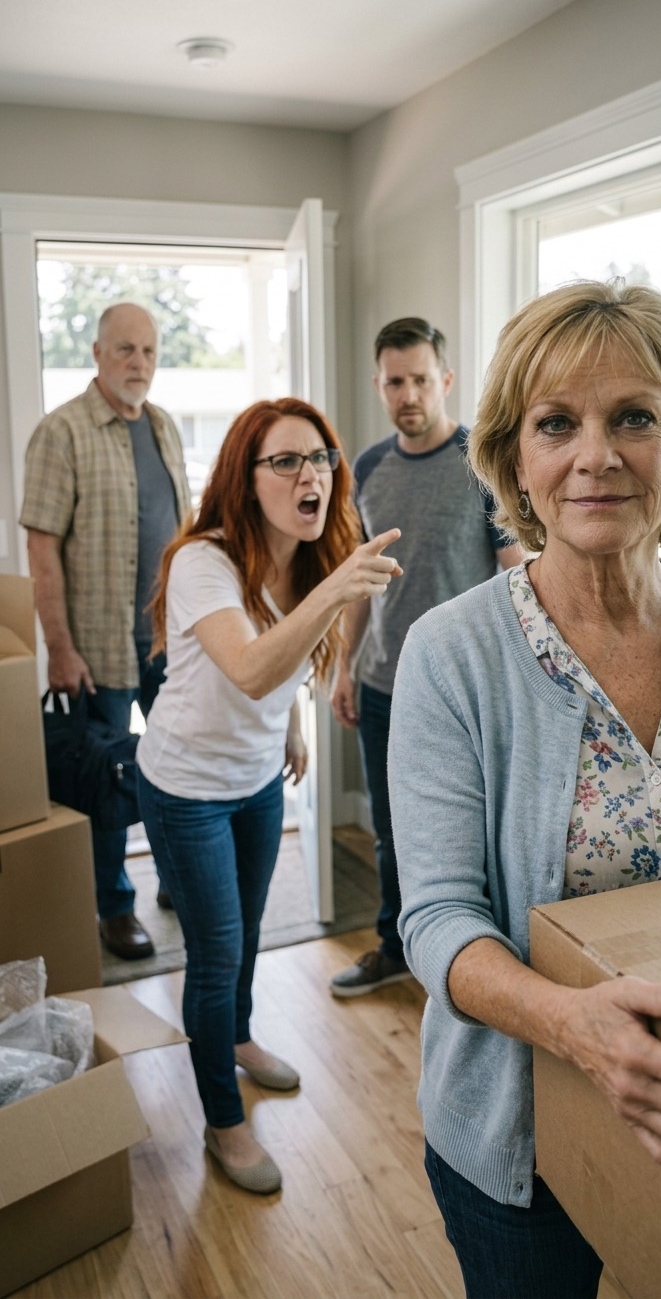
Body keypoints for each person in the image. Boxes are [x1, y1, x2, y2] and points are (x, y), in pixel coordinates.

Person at [388, 280, 661, 1299]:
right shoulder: (451, 653)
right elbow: (433, 915)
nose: (596, 454)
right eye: (558, 422)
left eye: (634, 416)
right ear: (517, 455)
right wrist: (576, 1025)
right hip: (520, 1144)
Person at [136, 397, 402, 1194]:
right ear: (246, 480)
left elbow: (277, 663)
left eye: (318, 457)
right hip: (184, 788)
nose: (308, 473)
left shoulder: (307, 558)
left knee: (247, 931)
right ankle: (224, 1123)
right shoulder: (202, 562)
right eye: (284, 461)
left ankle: (241, 1039)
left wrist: (290, 722)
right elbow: (249, 663)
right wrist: (336, 596)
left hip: (254, 780)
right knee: (215, 955)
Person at [330, 317, 520, 998]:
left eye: (419, 379)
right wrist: (345, 664)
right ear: (379, 386)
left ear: (444, 380)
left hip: (469, 689)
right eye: (393, 381)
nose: (407, 393)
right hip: (383, 684)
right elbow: (361, 577)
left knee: (479, 834)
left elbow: (516, 574)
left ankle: (481, 963)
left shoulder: (482, 464)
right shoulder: (369, 468)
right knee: (390, 832)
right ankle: (395, 946)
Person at [20, 302, 190, 961]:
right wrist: (59, 647)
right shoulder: (60, 432)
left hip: (166, 641)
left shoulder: (167, 428)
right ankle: (114, 906)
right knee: (103, 785)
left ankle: (176, 879)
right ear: (96, 353)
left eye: (148, 352)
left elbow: (186, 534)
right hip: (95, 647)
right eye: (125, 350)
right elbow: (41, 549)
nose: (138, 365)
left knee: (176, 767)